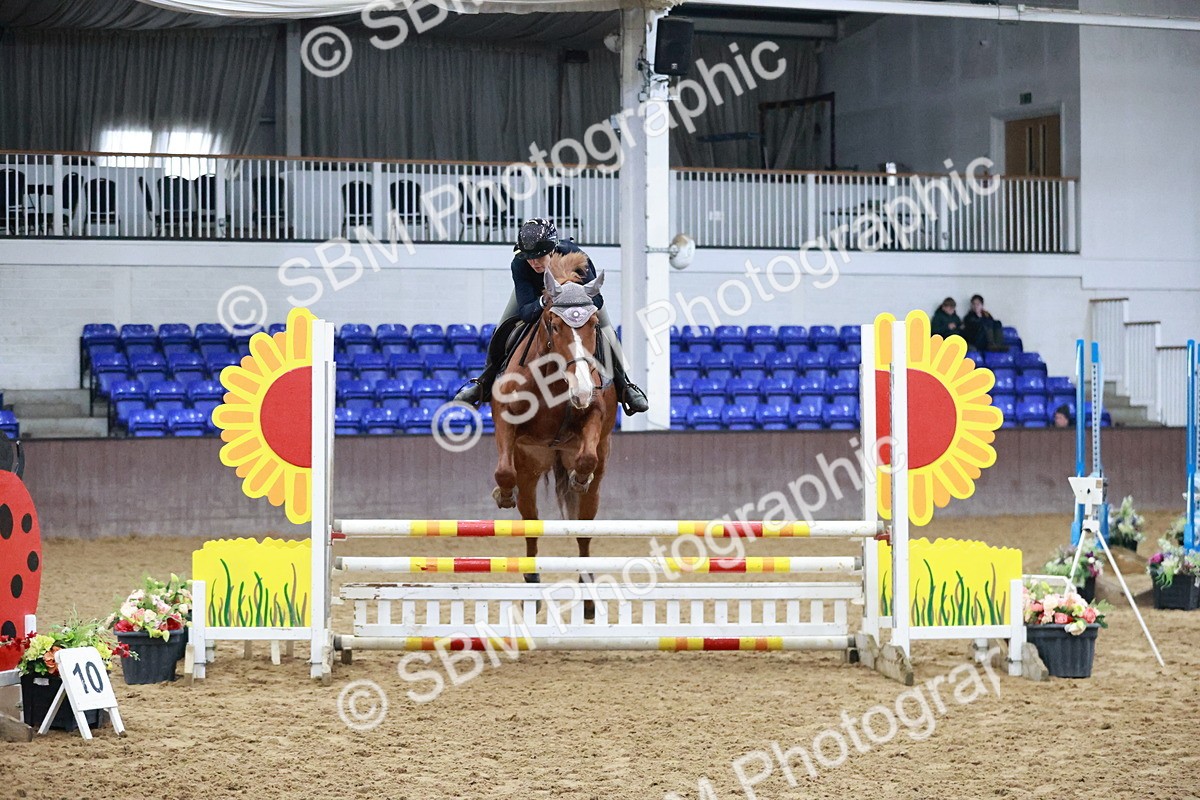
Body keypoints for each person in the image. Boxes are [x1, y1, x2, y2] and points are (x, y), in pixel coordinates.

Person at [453, 218, 649, 414]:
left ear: (552, 250)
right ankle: (484, 383)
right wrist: (545, 302)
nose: (534, 263)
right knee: (502, 329)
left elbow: (596, 301)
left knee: (608, 332)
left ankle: (625, 386)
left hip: (577, 301)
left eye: (539, 257)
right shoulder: (520, 264)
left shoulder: (577, 256)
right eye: (529, 257)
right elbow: (527, 313)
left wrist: (572, 299)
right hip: (536, 296)